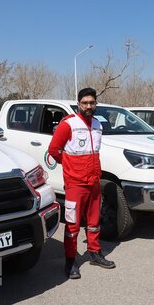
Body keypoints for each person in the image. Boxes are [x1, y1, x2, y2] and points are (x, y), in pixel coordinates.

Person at [49, 87, 115, 280]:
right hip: (75, 184)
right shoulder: (68, 124)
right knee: (72, 225)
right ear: (78, 104)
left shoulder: (97, 124)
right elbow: (54, 149)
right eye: (85, 103)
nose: (88, 106)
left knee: (94, 222)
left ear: (96, 104)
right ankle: (70, 262)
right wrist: (70, 166)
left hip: (94, 182)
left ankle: (94, 253)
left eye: (92, 103)